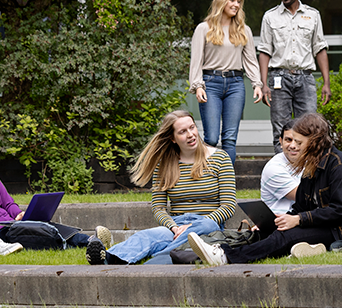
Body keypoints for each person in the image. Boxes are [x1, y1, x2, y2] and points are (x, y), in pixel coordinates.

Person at [190, 113, 342, 265]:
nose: (293, 146)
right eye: (291, 140)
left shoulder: (340, 165)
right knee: (272, 231)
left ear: (314, 142)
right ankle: (217, 251)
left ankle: (226, 256)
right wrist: (284, 219)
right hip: (331, 226)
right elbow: (301, 204)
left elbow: (338, 210)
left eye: (299, 141)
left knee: (287, 235)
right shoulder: (311, 165)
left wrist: (297, 220)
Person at [86, 110, 237, 265]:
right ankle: (107, 258)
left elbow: (228, 205)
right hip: (176, 226)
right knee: (148, 235)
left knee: (206, 225)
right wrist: (173, 227)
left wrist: (192, 226)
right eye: (183, 132)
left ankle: (159, 256)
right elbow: (158, 208)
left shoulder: (220, 158)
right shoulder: (164, 164)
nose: (191, 134)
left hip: (208, 225)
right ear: (172, 138)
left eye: (192, 127)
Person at [0, 135, 106, 249]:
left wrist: (19, 214)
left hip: (8, 224)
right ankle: (86, 242)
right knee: (33, 233)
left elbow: (8, 203)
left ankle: (89, 240)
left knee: (40, 225)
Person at [189, 0, 266, 167]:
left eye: (238, 1)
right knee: (212, 138)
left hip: (235, 84)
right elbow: (196, 61)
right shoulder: (203, 28)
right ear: (221, 1)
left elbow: (250, 60)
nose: (236, 4)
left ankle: (226, 182)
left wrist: (257, 84)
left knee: (230, 139)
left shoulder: (243, 30)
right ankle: (208, 179)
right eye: (232, 0)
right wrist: (198, 85)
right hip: (211, 84)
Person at [258, 0, 331, 151]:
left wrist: (326, 83)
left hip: (305, 79)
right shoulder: (270, 17)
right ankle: (281, 174)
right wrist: (263, 83)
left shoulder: (313, 15)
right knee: (280, 129)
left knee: (310, 128)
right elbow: (264, 51)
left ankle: (307, 173)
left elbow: (319, 48)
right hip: (278, 79)